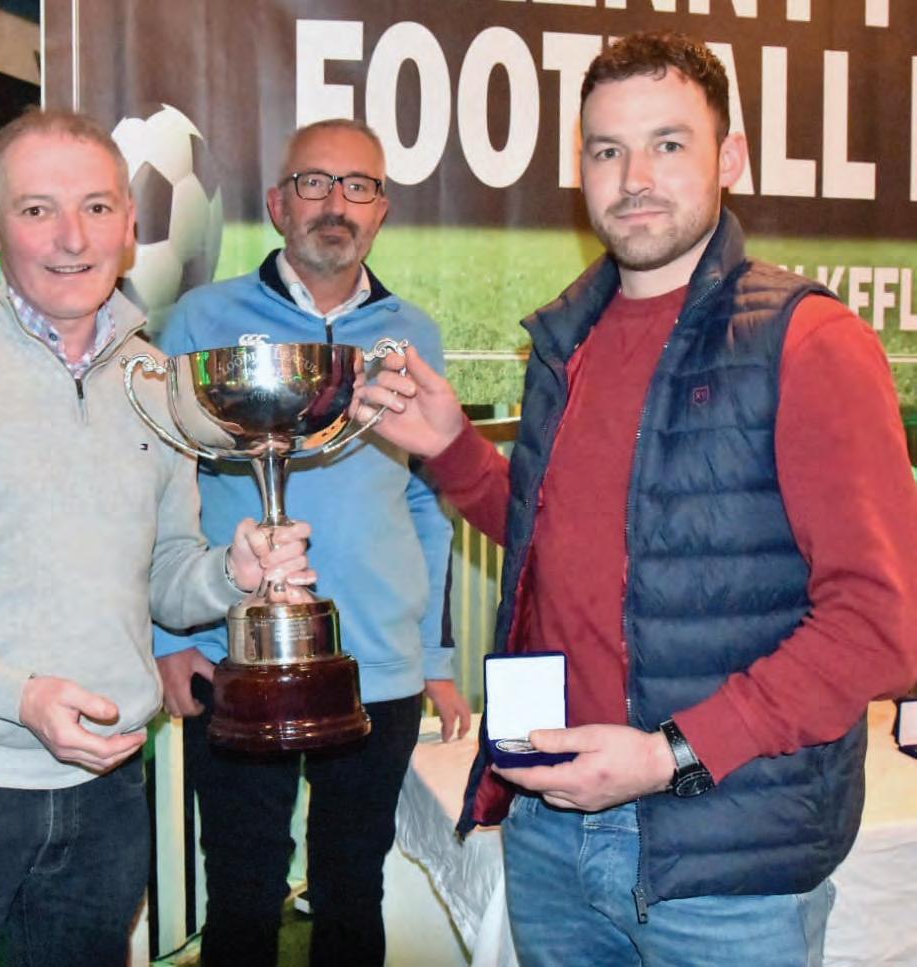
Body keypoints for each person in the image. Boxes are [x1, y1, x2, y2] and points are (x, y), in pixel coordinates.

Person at [354, 31, 917, 967]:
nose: (635, 177)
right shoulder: (567, 341)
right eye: (608, 150)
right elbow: (561, 543)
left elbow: (880, 627)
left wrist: (668, 754)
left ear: (730, 159)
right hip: (550, 828)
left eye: (669, 143)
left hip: (725, 862)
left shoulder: (808, 343)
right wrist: (453, 450)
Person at [0, 109, 312, 967]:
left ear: (130, 224)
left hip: (104, 797)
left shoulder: (155, 381)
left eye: (96, 207)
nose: (72, 238)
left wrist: (231, 573)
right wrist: (17, 696)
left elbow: (162, 576)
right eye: (38, 209)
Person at [153, 118, 471, 967]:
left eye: (358, 186)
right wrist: (169, 637)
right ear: (277, 204)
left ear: (381, 210)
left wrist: (435, 655)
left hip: (379, 664)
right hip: (236, 655)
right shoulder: (203, 319)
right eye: (315, 183)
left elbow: (426, 500)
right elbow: (160, 489)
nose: (337, 204)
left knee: (353, 890)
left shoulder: (413, 334)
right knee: (242, 892)